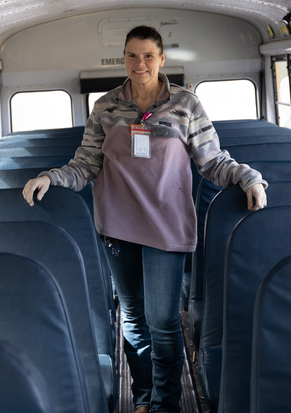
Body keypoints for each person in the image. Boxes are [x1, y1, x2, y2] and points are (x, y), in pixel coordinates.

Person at [23, 25, 267, 413]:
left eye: (148, 55)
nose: (140, 63)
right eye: (133, 56)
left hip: (167, 226)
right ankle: (142, 397)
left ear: (162, 59)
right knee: (134, 318)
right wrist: (49, 178)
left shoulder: (186, 104)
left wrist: (248, 177)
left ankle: (165, 402)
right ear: (124, 58)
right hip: (117, 225)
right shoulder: (105, 106)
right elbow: (85, 164)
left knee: (163, 320)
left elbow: (212, 161)